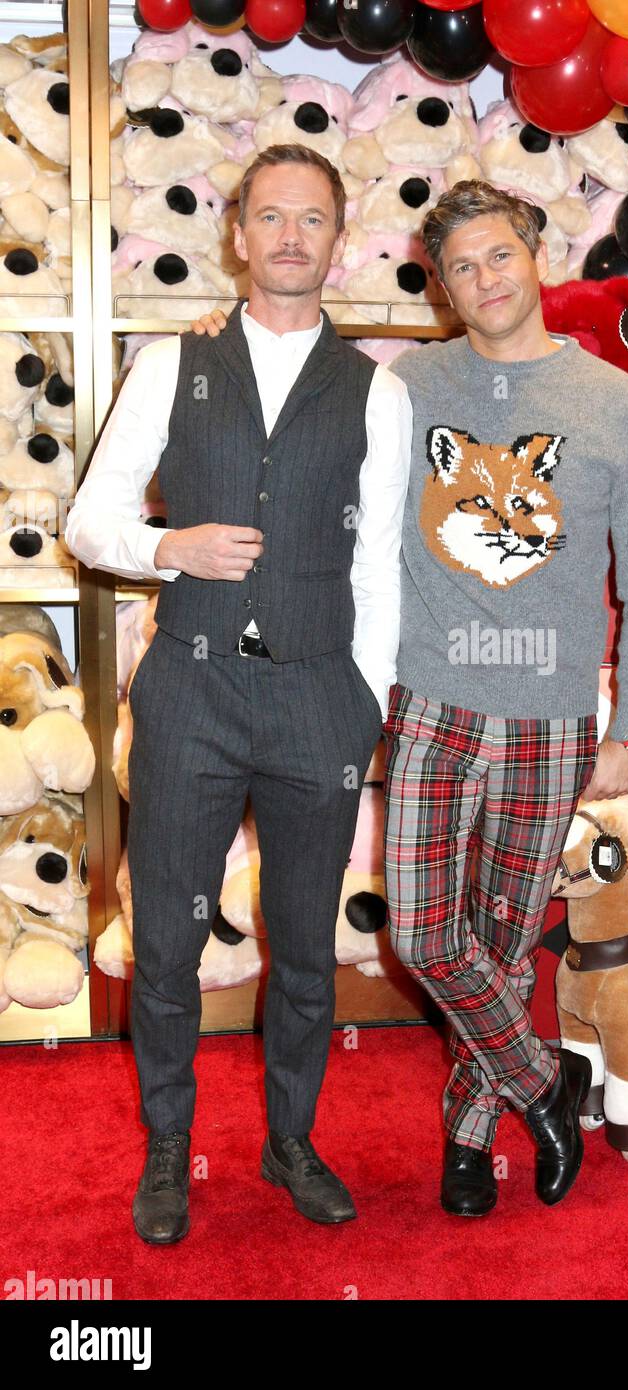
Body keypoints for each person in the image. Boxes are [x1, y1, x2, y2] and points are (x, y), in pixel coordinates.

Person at [65, 144, 411, 1244]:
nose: (291, 236)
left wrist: (367, 701)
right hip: (191, 692)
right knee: (163, 938)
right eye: (271, 216)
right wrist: (172, 544)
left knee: (305, 944)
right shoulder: (172, 365)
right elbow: (88, 521)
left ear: (338, 239)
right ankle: (172, 1145)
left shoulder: (378, 390)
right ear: (238, 235)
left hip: (321, 696)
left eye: (312, 218)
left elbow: (383, 564)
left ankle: (290, 1139)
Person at [384, 180, 628, 1216]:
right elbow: (304, 417)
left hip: (555, 720)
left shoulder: (617, 403)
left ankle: (468, 1138)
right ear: (442, 286)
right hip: (428, 700)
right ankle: (542, 1081)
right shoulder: (406, 385)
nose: (482, 280)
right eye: (459, 267)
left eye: (497, 256)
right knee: (425, 936)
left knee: (506, 942)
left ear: (536, 254)